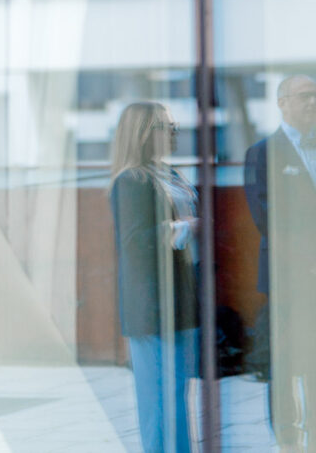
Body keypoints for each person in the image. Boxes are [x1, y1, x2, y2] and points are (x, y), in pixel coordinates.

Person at [243, 75, 316, 452]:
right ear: (282, 102)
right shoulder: (262, 153)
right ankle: (287, 435)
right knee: (285, 357)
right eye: (304, 96)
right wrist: (312, 259)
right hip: (289, 274)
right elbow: (267, 217)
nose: (312, 102)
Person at [109, 102, 199, 453]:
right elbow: (134, 241)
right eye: (165, 127)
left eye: (173, 126)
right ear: (143, 134)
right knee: (158, 401)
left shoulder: (169, 174)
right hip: (152, 306)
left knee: (176, 395)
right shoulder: (131, 180)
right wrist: (183, 228)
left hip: (179, 298)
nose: (174, 133)